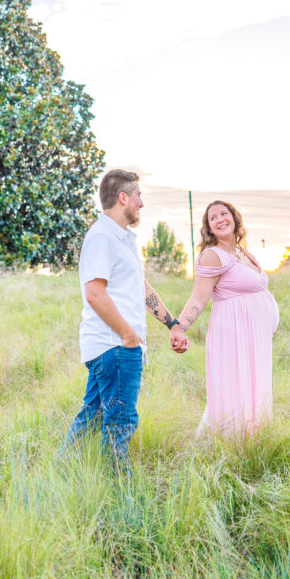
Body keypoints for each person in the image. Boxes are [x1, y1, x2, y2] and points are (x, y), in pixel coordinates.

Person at [60, 169, 189, 470]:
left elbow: (141, 290)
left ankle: (59, 473)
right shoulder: (102, 237)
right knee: (121, 423)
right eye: (138, 196)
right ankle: (122, 497)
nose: (141, 203)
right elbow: (94, 293)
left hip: (116, 347)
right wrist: (128, 336)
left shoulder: (122, 239)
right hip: (115, 347)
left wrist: (173, 324)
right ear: (123, 198)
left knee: (91, 417)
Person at [169, 200, 279, 438]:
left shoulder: (242, 252)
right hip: (234, 333)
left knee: (255, 389)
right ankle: (225, 444)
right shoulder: (213, 256)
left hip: (255, 336)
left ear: (234, 218)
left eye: (223, 214)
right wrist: (179, 328)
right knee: (235, 388)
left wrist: (268, 321)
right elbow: (199, 299)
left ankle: (253, 441)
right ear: (208, 228)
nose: (219, 219)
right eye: (213, 218)